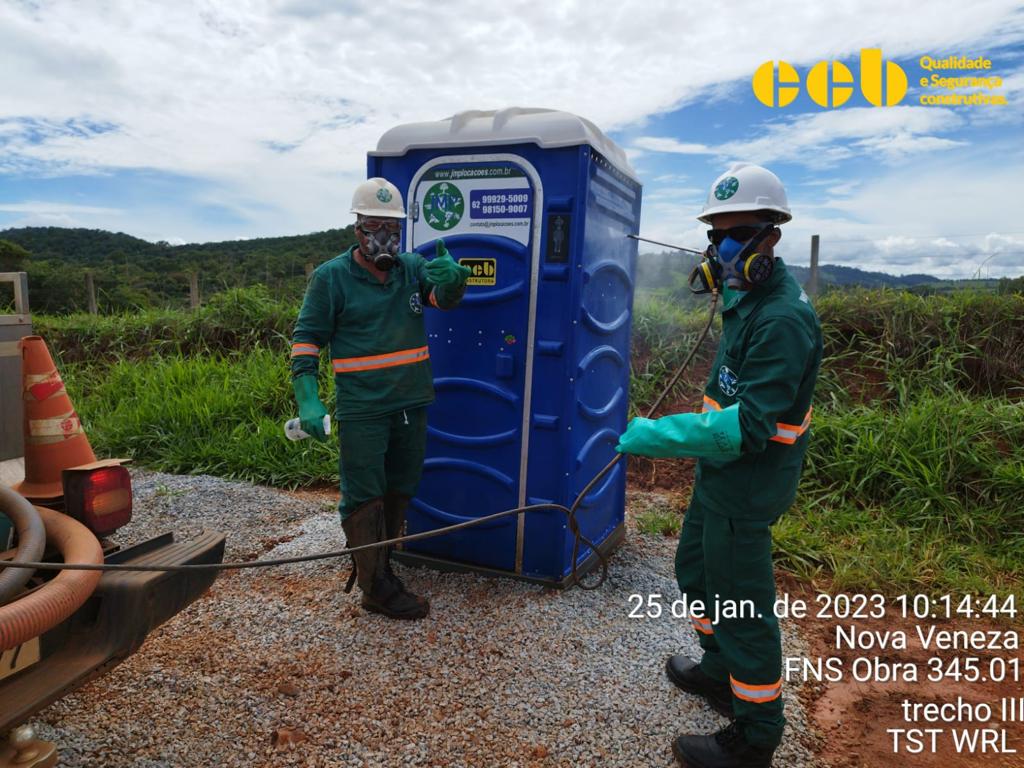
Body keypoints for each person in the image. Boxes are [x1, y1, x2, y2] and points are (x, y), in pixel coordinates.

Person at [616, 163, 822, 767]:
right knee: (696, 572)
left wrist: (656, 435)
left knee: (741, 601)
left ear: (772, 238)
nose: (723, 249)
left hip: (748, 482)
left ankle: (755, 735)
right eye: (716, 235)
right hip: (720, 473)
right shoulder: (747, 297)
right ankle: (719, 669)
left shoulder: (782, 317)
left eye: (738, 235)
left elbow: (750, 425)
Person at [290, 177, 471, 621]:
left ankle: (383, 566)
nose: (383, 238)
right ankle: (374, 587)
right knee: (364, 496)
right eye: (373, 227)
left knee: (400, 489)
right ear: (357, 229)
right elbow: (307, 340)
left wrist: (454, 284)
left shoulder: (410, 267)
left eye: (391, 228)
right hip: (363, 409)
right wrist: (308, 398)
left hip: (411, 404)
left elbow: (440, 298)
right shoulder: (332, 278)